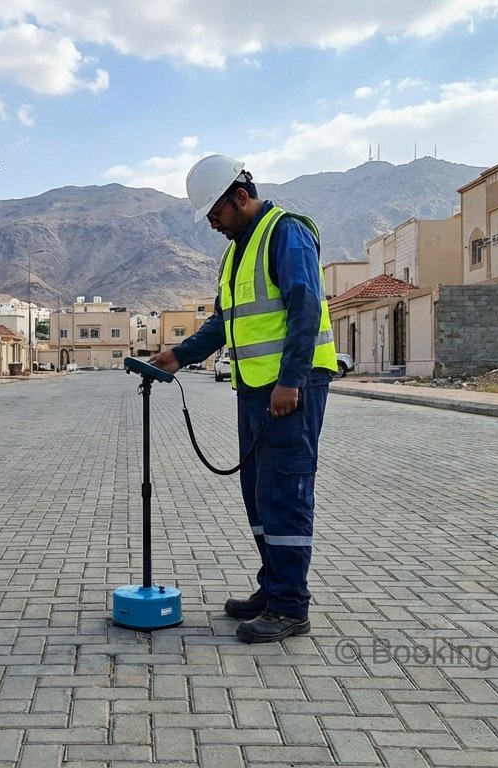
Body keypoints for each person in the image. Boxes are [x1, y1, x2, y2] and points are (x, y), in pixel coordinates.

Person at [148, 154, 334, 644]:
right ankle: (273, 590)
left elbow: (305, 307)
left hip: (291, 390)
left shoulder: (285, 233)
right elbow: (223, 324)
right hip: (255, 390)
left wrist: (290, 380)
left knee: (285, 492)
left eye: (216, 214)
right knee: (259, 493)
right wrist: (179, 355)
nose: (213, 224)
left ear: (241, 196)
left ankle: (290, 607)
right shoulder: (235, 254)